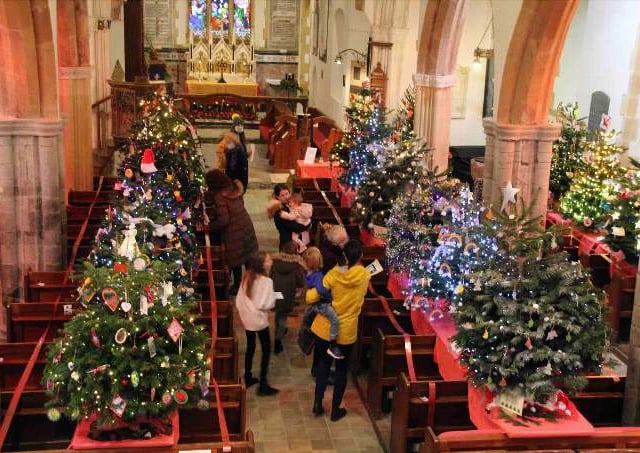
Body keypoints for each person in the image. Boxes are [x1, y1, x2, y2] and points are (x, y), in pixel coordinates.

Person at [307, 240, 370, 421]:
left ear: (344, 256)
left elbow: (312, 297)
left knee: (323, 366)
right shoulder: (364, 276)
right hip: (346, 330)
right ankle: (335, 410)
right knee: (342, 370)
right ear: (360, 257)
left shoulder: (333, 275)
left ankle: (318, 404)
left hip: (325, 328)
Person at [205, 170, 258, 296]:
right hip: (245, 226)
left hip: (234, 233)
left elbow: (224, 220)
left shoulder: (220, 196)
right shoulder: (234, 188)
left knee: (235, 259)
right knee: (247, 257)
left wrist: (209, 227)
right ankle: (252, 285)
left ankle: (237, 285)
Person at [234, 252, 279, 396]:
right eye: (268, 259)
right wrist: (274, 298)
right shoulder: (266, 281)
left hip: (247, 317)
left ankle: (247, 376)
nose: (271, 260)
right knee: (266, 349)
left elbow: (240, 298)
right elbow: (266, 303)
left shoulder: (247, 275)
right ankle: (263, 384)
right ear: (262, 264)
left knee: (251, 346)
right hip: (258, 319)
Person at [302, 247, 343, 359]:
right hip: (322, 305)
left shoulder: (307, 273)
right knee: (335, 319)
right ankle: (333, 342)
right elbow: (321, 290)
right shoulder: (318, 275)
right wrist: (330, 299)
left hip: (314, 305)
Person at [270, 241, 305, 354]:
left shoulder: (275, 262)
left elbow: (270, 276)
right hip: (288, 294)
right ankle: (277, 341)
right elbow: (300, 283)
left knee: (278, 313)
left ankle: (280, 331)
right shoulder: (296, 266)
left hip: (276, 292)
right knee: (282, 317)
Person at [267, 184, 308, 249]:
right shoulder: (279, 211)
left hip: (293, 240)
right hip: (288, 243)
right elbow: (294, 227)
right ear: (278, 197)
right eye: (282, 195)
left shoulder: (289, 204)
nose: (286, 197)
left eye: (287, 193)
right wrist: (307, 226)